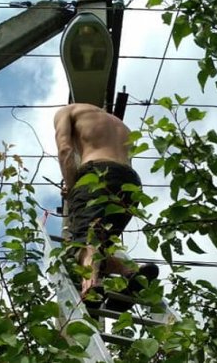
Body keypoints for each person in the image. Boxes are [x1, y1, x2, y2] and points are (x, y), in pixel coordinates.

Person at [53, 103, 157, 305]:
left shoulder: (67, 111)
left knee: (84, 242)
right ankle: (133, 272)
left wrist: (73, 189)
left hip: (97, 173)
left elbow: (65, 150)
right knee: (100, 244)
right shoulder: (122, 126)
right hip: (130, 182)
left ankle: (91, 286)